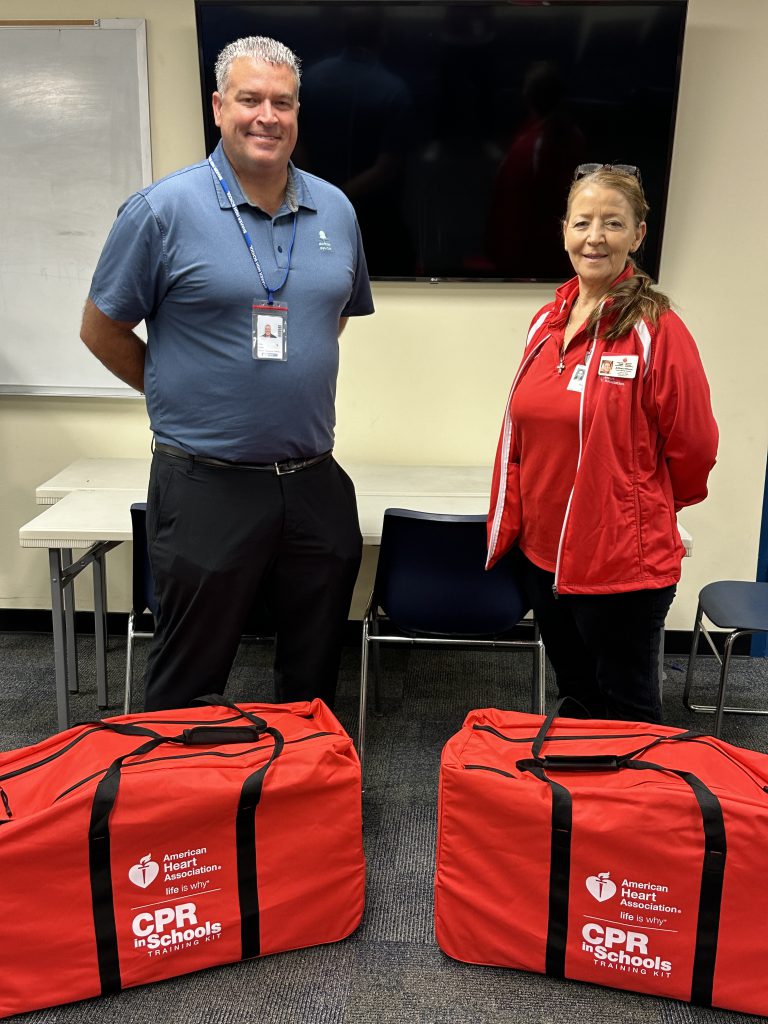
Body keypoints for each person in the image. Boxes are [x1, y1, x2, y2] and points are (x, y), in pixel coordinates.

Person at [81, 36, 374, 712]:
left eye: (282, 102)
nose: (266, 116)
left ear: (298, 112)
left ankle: (299, 800)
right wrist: (179, 388)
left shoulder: (336, 210)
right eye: (249, 100)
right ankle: (175, 804)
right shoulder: (160, 211)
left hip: (313, 481)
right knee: (190, 675)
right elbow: (101, 329)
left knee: (313, 673)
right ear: (219, 107)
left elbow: (330, 314)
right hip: (205, 482)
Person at [486, 163, 718, 723]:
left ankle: (641, 809)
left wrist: (642, 507)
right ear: (563, 229)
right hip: (543, 555)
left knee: (627, 713)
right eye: (582, 221)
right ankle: (585, 810)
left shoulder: (657, 330)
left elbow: (695, 445)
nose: (594, 237)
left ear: (638, 235)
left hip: (618, 564)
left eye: (612, 223)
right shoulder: (546, 320)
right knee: (577, 698)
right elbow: (526, 432)